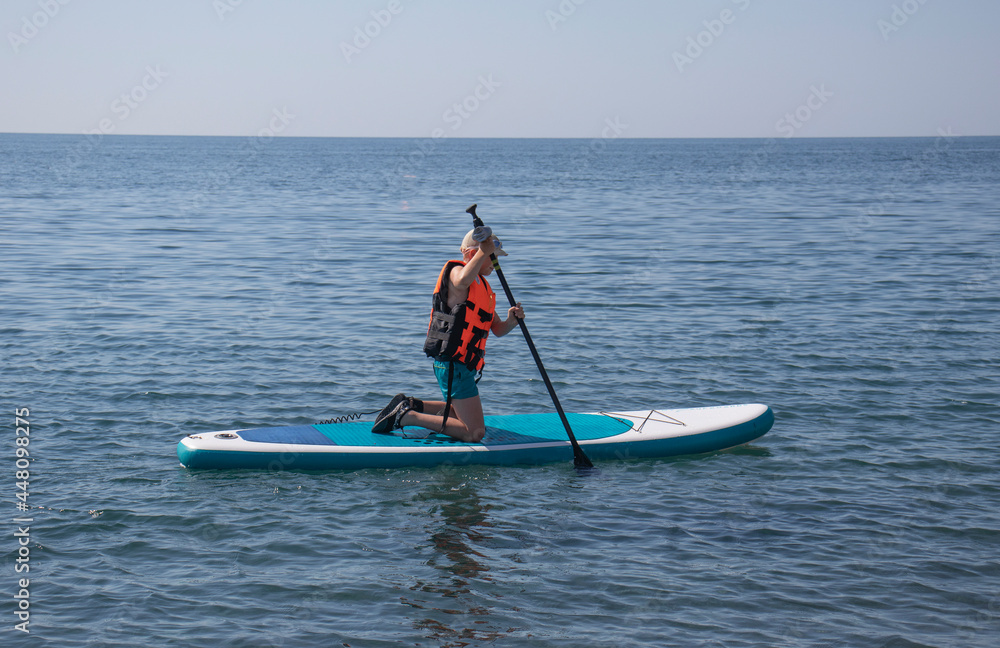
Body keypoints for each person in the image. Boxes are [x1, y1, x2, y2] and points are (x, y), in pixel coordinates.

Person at [371, 229, 524, 442]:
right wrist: (483, 252)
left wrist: (511, 322)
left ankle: (411, 405)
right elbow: (461, 280)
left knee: (456, 412)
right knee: (474, 432)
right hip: (453, 364)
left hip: (462, 366)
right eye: (493, 256)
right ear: (473, 254)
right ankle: (407, 416)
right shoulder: (456, 272)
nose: (495, 262)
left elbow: (497, 329)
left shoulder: (483, 288)